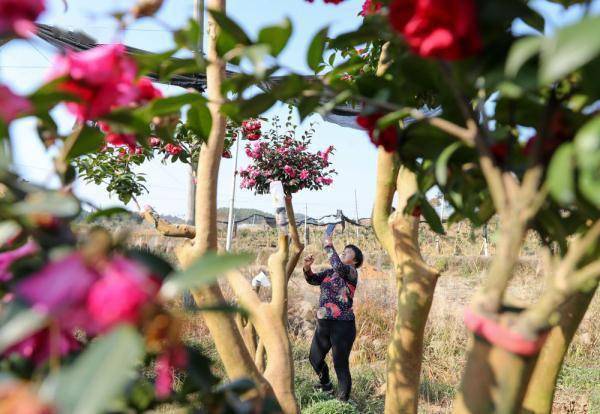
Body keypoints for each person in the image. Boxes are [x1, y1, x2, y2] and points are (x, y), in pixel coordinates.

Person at [302, 236, 363, 401]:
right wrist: (307, 268)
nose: (343, 252)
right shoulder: (330, 272)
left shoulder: (351, 272)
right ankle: (326, 384)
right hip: (324, 324)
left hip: (343, 326)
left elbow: (338, 265)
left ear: (355, 261)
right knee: (314, 358)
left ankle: (342, 403)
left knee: (340, 365)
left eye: (347, 252)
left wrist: (328, 244)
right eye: (343, 251)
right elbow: (312, 279)